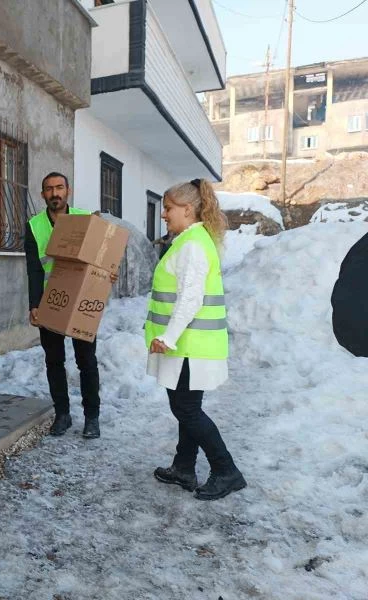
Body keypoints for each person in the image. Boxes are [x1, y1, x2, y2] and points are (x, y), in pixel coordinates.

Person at [146, 178, 247, 501]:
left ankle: (226, 470)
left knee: (187, 410)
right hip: (190, 345)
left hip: (190, 345)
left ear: (187, 209)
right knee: (186, 408)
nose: (164, 215)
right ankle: (184, 467)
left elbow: (191, 299)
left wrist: (168, 337)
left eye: (168, 208)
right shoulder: (192, 240)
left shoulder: (192, 245)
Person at [25, 172, 117, 439]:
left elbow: (103, 257)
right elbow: (32, 270)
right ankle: (62, 414)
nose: (55, 193)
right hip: (50, 301)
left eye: (59, 188)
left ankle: (92, 418)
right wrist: (34, 304)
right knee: (54, 361)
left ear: (68, 190)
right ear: (43, 194)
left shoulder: (86, 220)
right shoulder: (33, 226)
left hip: (81, 299)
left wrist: (109, 272)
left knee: (86, 361)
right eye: (49, 189)